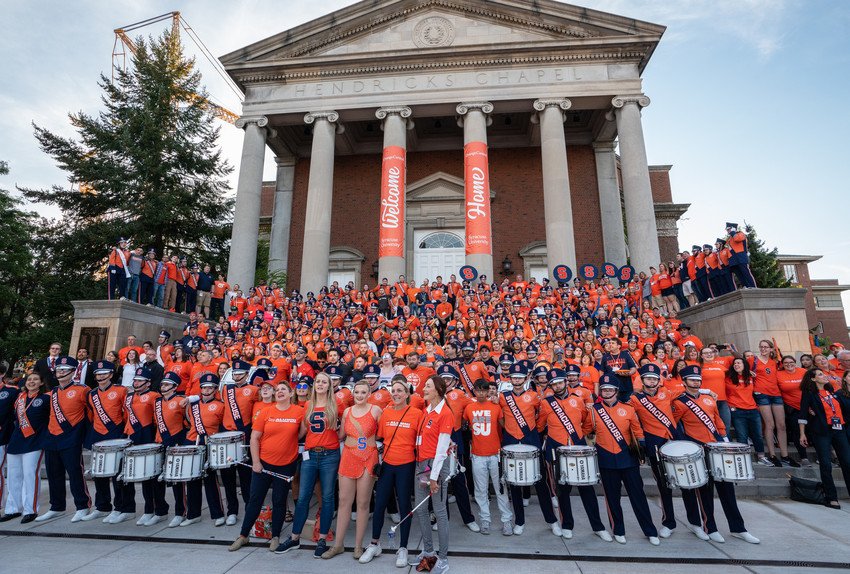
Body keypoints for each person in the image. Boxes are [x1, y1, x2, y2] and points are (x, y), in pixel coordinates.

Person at [672, 365, 760, 544]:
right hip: (697, 448)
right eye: (692, 380)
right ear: (684, 382)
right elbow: (673, 425)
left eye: (698, 380)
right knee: (704, 490)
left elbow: (717, 420)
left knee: (727, 488)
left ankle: (738, 528)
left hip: (716, 447)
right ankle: (709, 527)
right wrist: (685, 444)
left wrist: (724, 438)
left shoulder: (709, 399)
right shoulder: (680, 401)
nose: (696, 383)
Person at [229, 383, 303, 552]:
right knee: (255, 500)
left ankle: (275, 536)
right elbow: (254, 438)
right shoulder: (266, 411)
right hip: (263, 463)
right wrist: (256, 462)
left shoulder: (299, 411)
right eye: (277, 390)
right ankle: (243, 535)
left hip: (285, 465)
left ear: (291, 393)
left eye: (284, 389)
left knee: (279, 501)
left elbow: (301, 433)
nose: (280, 392)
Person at [359, 376, 424, 565]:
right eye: (393, 391)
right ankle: (374, 544)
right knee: (379, 505)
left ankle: (403, 548)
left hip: (406, 465)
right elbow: (379, 438)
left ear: (407, 394)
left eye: (399, 391)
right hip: (387, 465)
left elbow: (421, 441)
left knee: (404, 505)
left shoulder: (416, 414)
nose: (395, 394)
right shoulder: (386, 413)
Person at [277, 372, 342, 557]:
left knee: (328, 497)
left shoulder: (337, 404)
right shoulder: (307, 405)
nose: (320, 384)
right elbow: (301, 432)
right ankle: (295, 538)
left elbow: (345, 428)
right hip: (310, 454)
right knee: (304, 496)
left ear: (329, 385)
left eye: (324, 382)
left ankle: (322, 539)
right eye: (318, 381)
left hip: (330, 455)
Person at [540, 369, 611, 540]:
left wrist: (579, 436)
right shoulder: (545, 403)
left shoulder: (578, 400)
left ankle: (598, 526)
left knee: (587, 489)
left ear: (565, 382)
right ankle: (567, 524)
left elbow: (588, 422)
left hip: (577, 448)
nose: (558, 386)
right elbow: (540, 425)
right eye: (554, 383)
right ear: (551, 386)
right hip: (556, 450)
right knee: (562, 491)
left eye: (560, 382)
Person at [591, 374, 660, 545]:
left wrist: (642, 448)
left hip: (628, 459)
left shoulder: (628, 409)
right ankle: (618, 530)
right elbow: (586, 428)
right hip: (606, 458)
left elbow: (638, 431)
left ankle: (650, 531)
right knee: (612, 498)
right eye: (604, 389)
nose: (607, 392)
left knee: (638, 497)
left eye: (610, 390)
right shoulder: (593, 410)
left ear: (616, 391)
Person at [498, 362, 561, 536]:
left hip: (531, 439)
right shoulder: (503, 397)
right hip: (510, 440)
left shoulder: (534, 396)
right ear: (509, 379)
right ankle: (519, 520)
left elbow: (541, 418)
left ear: (526, 378)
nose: (517, 380)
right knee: (514, 482)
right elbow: (500, 419)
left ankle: (552, 520)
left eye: (520, 377)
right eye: (514, 377)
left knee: (540, 482)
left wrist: (534, 432)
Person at [322, 379, 382, 560]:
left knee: (363, 503)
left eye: (363, 392)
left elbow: (384, 433)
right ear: (353, 393)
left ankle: (358, 546)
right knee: (343, 502)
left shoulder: (376, 410)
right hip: (348, 456)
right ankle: (338, 545)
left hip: (368, 457)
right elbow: (340, 436)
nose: (360, 396)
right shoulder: (347, 411)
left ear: (369, 394)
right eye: (357, 392)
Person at [38, 356, 92, 523]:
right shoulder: (52, 392)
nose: (60, 372)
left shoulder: (83, 390)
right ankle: (57, 507)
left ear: (73, 371)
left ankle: (82, 506)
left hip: (71, 438)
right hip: (52, 438)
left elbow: (91, 414)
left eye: (64, 370)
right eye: (59, 369)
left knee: (75, 473)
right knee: (54, 474)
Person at [628, 364, 678, 539]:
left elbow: (688, 391)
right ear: (642, 380)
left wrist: (708, 392)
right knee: (664, 484)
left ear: (659, 381)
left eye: (655, 378)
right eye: (648, 378)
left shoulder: (667, 393)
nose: (652, 381)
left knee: (685, 483)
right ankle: (669, 522)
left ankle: (697, 522)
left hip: (673, 440)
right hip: (654, 443)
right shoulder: (635, 399)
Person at [413, 375, 454, 574]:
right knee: (421, 510)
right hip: (422, 465)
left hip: (435, 468)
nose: (423, 389)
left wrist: (434, 477)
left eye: (427, 386)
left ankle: (443, 559)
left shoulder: (445, 413)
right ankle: (428, 551)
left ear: (438, 390)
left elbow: (442, 449)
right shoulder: (425, 411)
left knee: (439, 511)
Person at [84, 361, 132, 523]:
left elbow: (127, 414)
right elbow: (91, 415)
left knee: (118, 475)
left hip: (117, 435)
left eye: (104, 374)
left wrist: (125, 436)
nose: (101, 377)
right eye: (98, 374)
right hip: (98, 435)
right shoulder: (91, 394)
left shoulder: (121, 390)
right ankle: (103, 506)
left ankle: (122, 507)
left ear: (111, 375)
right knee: (99, 474)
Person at [798, 368, 850, 510]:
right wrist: (802, 433)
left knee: (847, 462)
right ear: (814, 379)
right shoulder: (809, 394)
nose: (824, 376)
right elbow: (802, 413)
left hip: (839, 430)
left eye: (824, 373)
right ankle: (831, 497)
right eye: (820, 374)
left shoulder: (832, 390)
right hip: (822, 431)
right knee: (826, 464)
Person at [2, 372, 49, 523]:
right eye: (29, 379)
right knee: (13, 476)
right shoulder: (19, 398)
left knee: (30, 475)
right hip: (16, 440)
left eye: (36, 379)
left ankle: (30, 509)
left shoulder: (45, 398)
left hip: (35, 441)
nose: (32, 382)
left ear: (41, 383)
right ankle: (13, 509)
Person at [124, 367, 169, 526]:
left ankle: (160, 510)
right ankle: (148, 509)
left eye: (140, 381)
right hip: (134, 438)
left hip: (149, 437)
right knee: (143, 476)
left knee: (154, 476)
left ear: (148, 383)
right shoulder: (129, 397)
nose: (136, 383)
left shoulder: (154, 396)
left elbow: (159, 418)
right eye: (135, 380)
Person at [220, 359, 259, 525]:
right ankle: (232, 511)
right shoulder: (226, 390)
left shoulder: (254, 390)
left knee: (245, 475)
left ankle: (250, 508)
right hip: (227, 435)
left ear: (246, 374)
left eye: (240, 374)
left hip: (245, 435)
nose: (236, 376)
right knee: (227, 475)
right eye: (234, 374)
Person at [184, 373, 226, 526]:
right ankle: (193, 514)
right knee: (192, 479)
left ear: (215, 389)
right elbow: (189, 423)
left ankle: (218, 514)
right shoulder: (193, 405)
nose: (206, 390)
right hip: (193, 442)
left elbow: (223, 426)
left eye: (210, 387)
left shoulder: (221, 405)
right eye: (204, 387)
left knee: (210, 480)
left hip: (210, 444)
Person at [154, 373, 189, 528]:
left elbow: (188, 422)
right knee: (157, 478)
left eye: (168, 385)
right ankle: (160, 511)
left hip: (176, 442)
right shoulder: (157, 402)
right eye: (162, 384)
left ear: (175, 387)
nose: (164, 387)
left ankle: (180, 512)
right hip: (159, 441)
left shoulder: (181, 400)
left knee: (176, 480)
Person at [750, 340, 790, 466]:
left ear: (771, 349)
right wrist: (749, 372)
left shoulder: (776, 362)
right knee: (769, 424)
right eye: (761, 347)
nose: (763, 349)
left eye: (766, 347)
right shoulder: (753, 360)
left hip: (776, 393)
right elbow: (740, 365)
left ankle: (785, 455)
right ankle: (772, 455)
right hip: (761, 393)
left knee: (781, 425)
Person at [725, 358, 770, 466]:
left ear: (745, 365)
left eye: (739, 363)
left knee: (758, 435)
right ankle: (744, 458)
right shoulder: (728, 377)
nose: (736, 365)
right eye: (735, 363)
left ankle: (761, 457)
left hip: (752, 410)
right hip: (737, 410)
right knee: (742, 435)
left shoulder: (750, 377)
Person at [777, 355, 808, 465]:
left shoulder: (803, 371)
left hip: (808, 405)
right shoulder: (779, 374)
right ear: (782, 364)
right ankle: (803, 457)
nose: (789, 364)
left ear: (795, 362)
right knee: (797, 431)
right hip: (792, 407)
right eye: (786, 363)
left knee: (813, 432)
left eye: (791, 362)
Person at [725, 222, 756, 289]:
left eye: (729, 229)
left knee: (745, 272)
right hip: (733, 259)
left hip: (741, 256)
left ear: (733, 228)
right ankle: (745, 286)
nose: (727, 231)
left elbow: (737, 239)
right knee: (739, 274)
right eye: (727, 229)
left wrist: (733, 232)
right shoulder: (729, 239)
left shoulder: (740, 234)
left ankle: (752, 286)